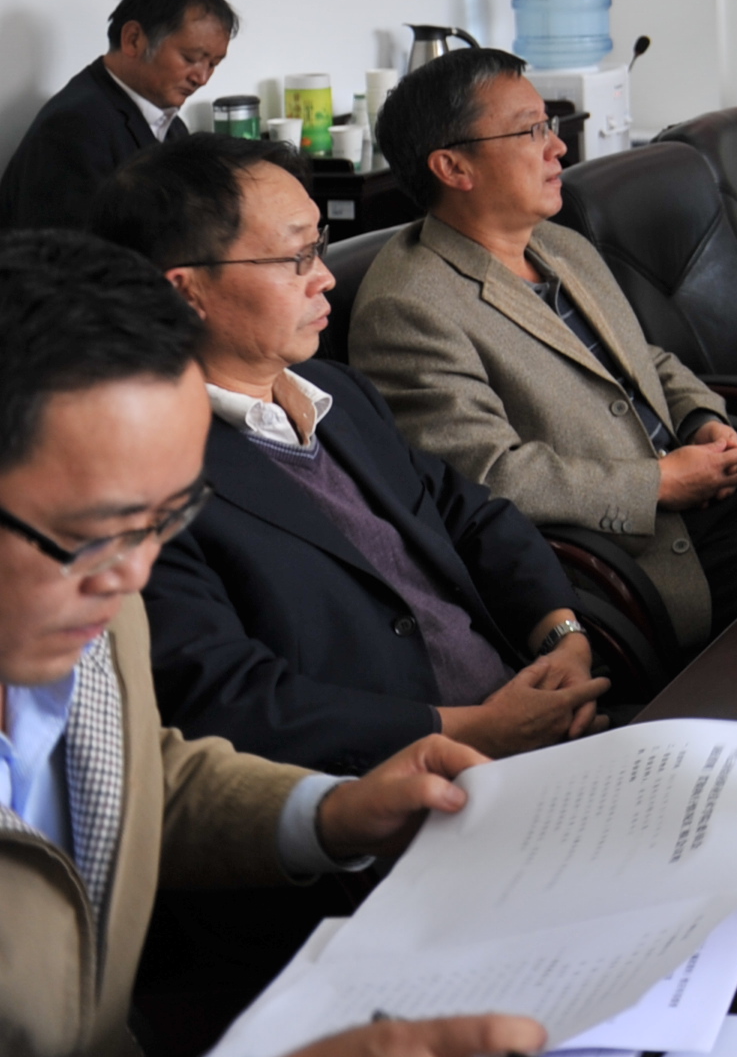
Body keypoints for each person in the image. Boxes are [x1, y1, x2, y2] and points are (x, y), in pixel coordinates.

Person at [0, 228, 546, 1057]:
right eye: (97, 532)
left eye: (165, 520)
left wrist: (330, 812)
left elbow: (122, 774)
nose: (133, 574)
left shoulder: (85, 603)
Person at [351, 51, 737, 651]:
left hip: (712, 493)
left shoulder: (558, 244)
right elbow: (489, 478)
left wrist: (702, 419)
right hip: (646, 555)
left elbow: (648, 358)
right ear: (453, 166)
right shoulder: (407, 307)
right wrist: (658, 483)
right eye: (531, 130)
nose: (557, 147)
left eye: (549, 125)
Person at [91, 136, 605, 776]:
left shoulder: (337, 393)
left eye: (321, 246)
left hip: (530, 721)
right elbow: (236, 700)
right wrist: (477, 731)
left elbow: (471, 516)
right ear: (186, 292)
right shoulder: (144, 480)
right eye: (296, 257)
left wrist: (561, 637)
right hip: (392, 789)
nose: (326, 276)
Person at [0, 0, 238, 234]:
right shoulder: (74, 127)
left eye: (213, 64)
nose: (202, 78)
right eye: (191, 58)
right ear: (133, 40)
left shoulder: (171, 123)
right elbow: (68, 250)